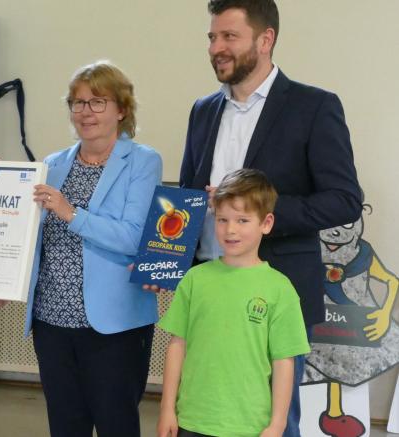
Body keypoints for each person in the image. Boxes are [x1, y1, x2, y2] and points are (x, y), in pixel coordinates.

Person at [180, 1, 362, 433]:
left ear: (266, 40)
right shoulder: (202, 110)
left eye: (229, 37)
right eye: (212, 37)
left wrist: (258, 210)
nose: (216, 48)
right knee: (209, 413)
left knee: (275, 421)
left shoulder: (314, 106)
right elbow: (190, 194)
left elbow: (344, 199)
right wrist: (166, 259)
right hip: (209, 288)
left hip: (278, 291)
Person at [23, 60, 162, 437]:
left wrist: (71, 213)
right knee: (66, 427)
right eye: (77, 102)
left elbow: (133, 237)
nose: (86, 112)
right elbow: (34, 242)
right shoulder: (51, 164)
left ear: (122, 109)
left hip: (114, 325)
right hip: (51, 321)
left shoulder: (143, 161)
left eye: (98, 101)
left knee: (117, 424)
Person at [157, 168, 311, 437]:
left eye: (242, 220)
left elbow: (284, 362)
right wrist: (167, 408)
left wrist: (277, 424)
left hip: (249, 426)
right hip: (192, 420)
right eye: (222, 219)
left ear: (266, 223)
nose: (230, 230)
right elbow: (176, 346)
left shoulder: (280, 289)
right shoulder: (194, 279)